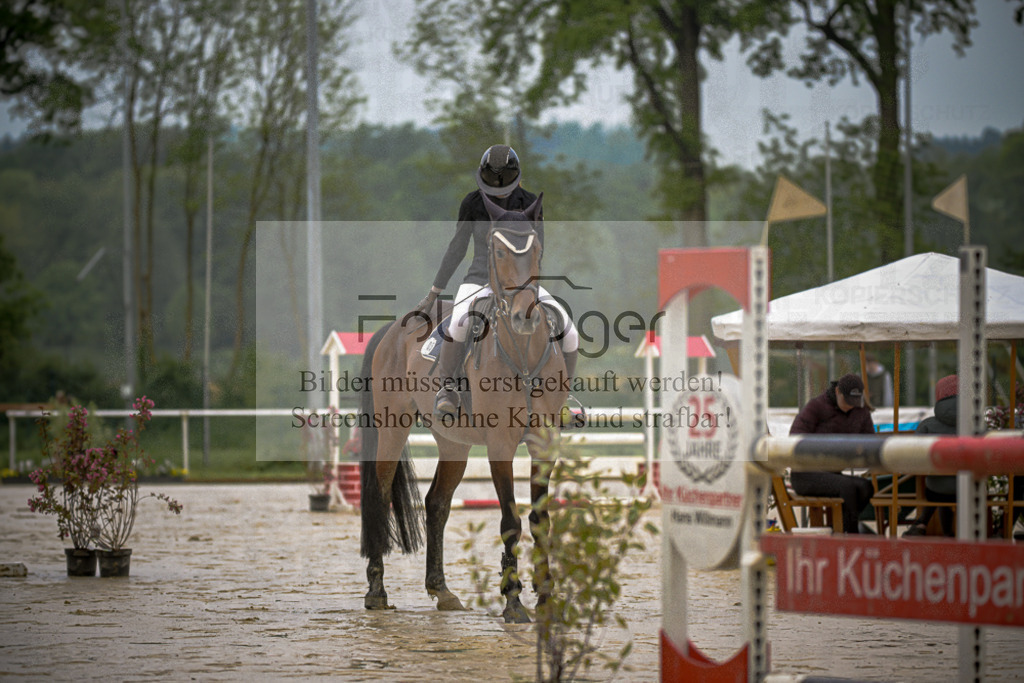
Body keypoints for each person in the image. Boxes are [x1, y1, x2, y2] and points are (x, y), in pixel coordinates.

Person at [413, 144, 579, 419]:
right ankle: (448, 389)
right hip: (480, 278)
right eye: (492, 182)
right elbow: (457, 248)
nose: (499, 189)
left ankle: (563, 398)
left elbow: (539, 249)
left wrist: (527, 284)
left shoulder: (529, 203)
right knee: (459, 322)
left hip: (521, 283)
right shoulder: (472, 203)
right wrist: (435, 291)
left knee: (570, 331)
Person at [789, 373, 876, 533]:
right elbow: (795, 438)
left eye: (855, 402)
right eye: (847, 401)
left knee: (866, 487)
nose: (851, 406)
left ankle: (838, 529)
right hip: (806, 474)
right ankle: (850, 535)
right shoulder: (816, 406)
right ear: (837, 392)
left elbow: (871, 442)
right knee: (848, 487)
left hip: (833, 473)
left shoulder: (861, 411)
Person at [904, 374, 959, 537]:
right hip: (970, 491)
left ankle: (921, 523)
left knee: (940, 484)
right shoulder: (976, 425)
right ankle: (948, 531)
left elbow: (912, 456)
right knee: (956, 482)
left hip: (936, 490)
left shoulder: (927, 425)